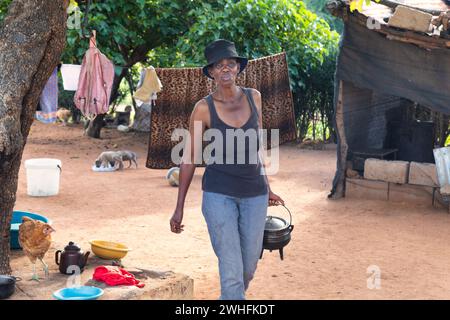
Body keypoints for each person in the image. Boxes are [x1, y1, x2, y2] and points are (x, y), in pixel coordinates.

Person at [170, 39, 284, 300]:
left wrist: (268, 188)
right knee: (232, 272)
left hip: (255, 195)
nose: (225, 69)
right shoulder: (203, 109)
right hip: (219, 195)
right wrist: (179, 207)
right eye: (218, 65)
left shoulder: (254, 97)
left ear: (237, 68)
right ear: (210, 72)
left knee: (248, 267)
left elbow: (257, 147)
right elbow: (189, 158)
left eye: (229, 64)